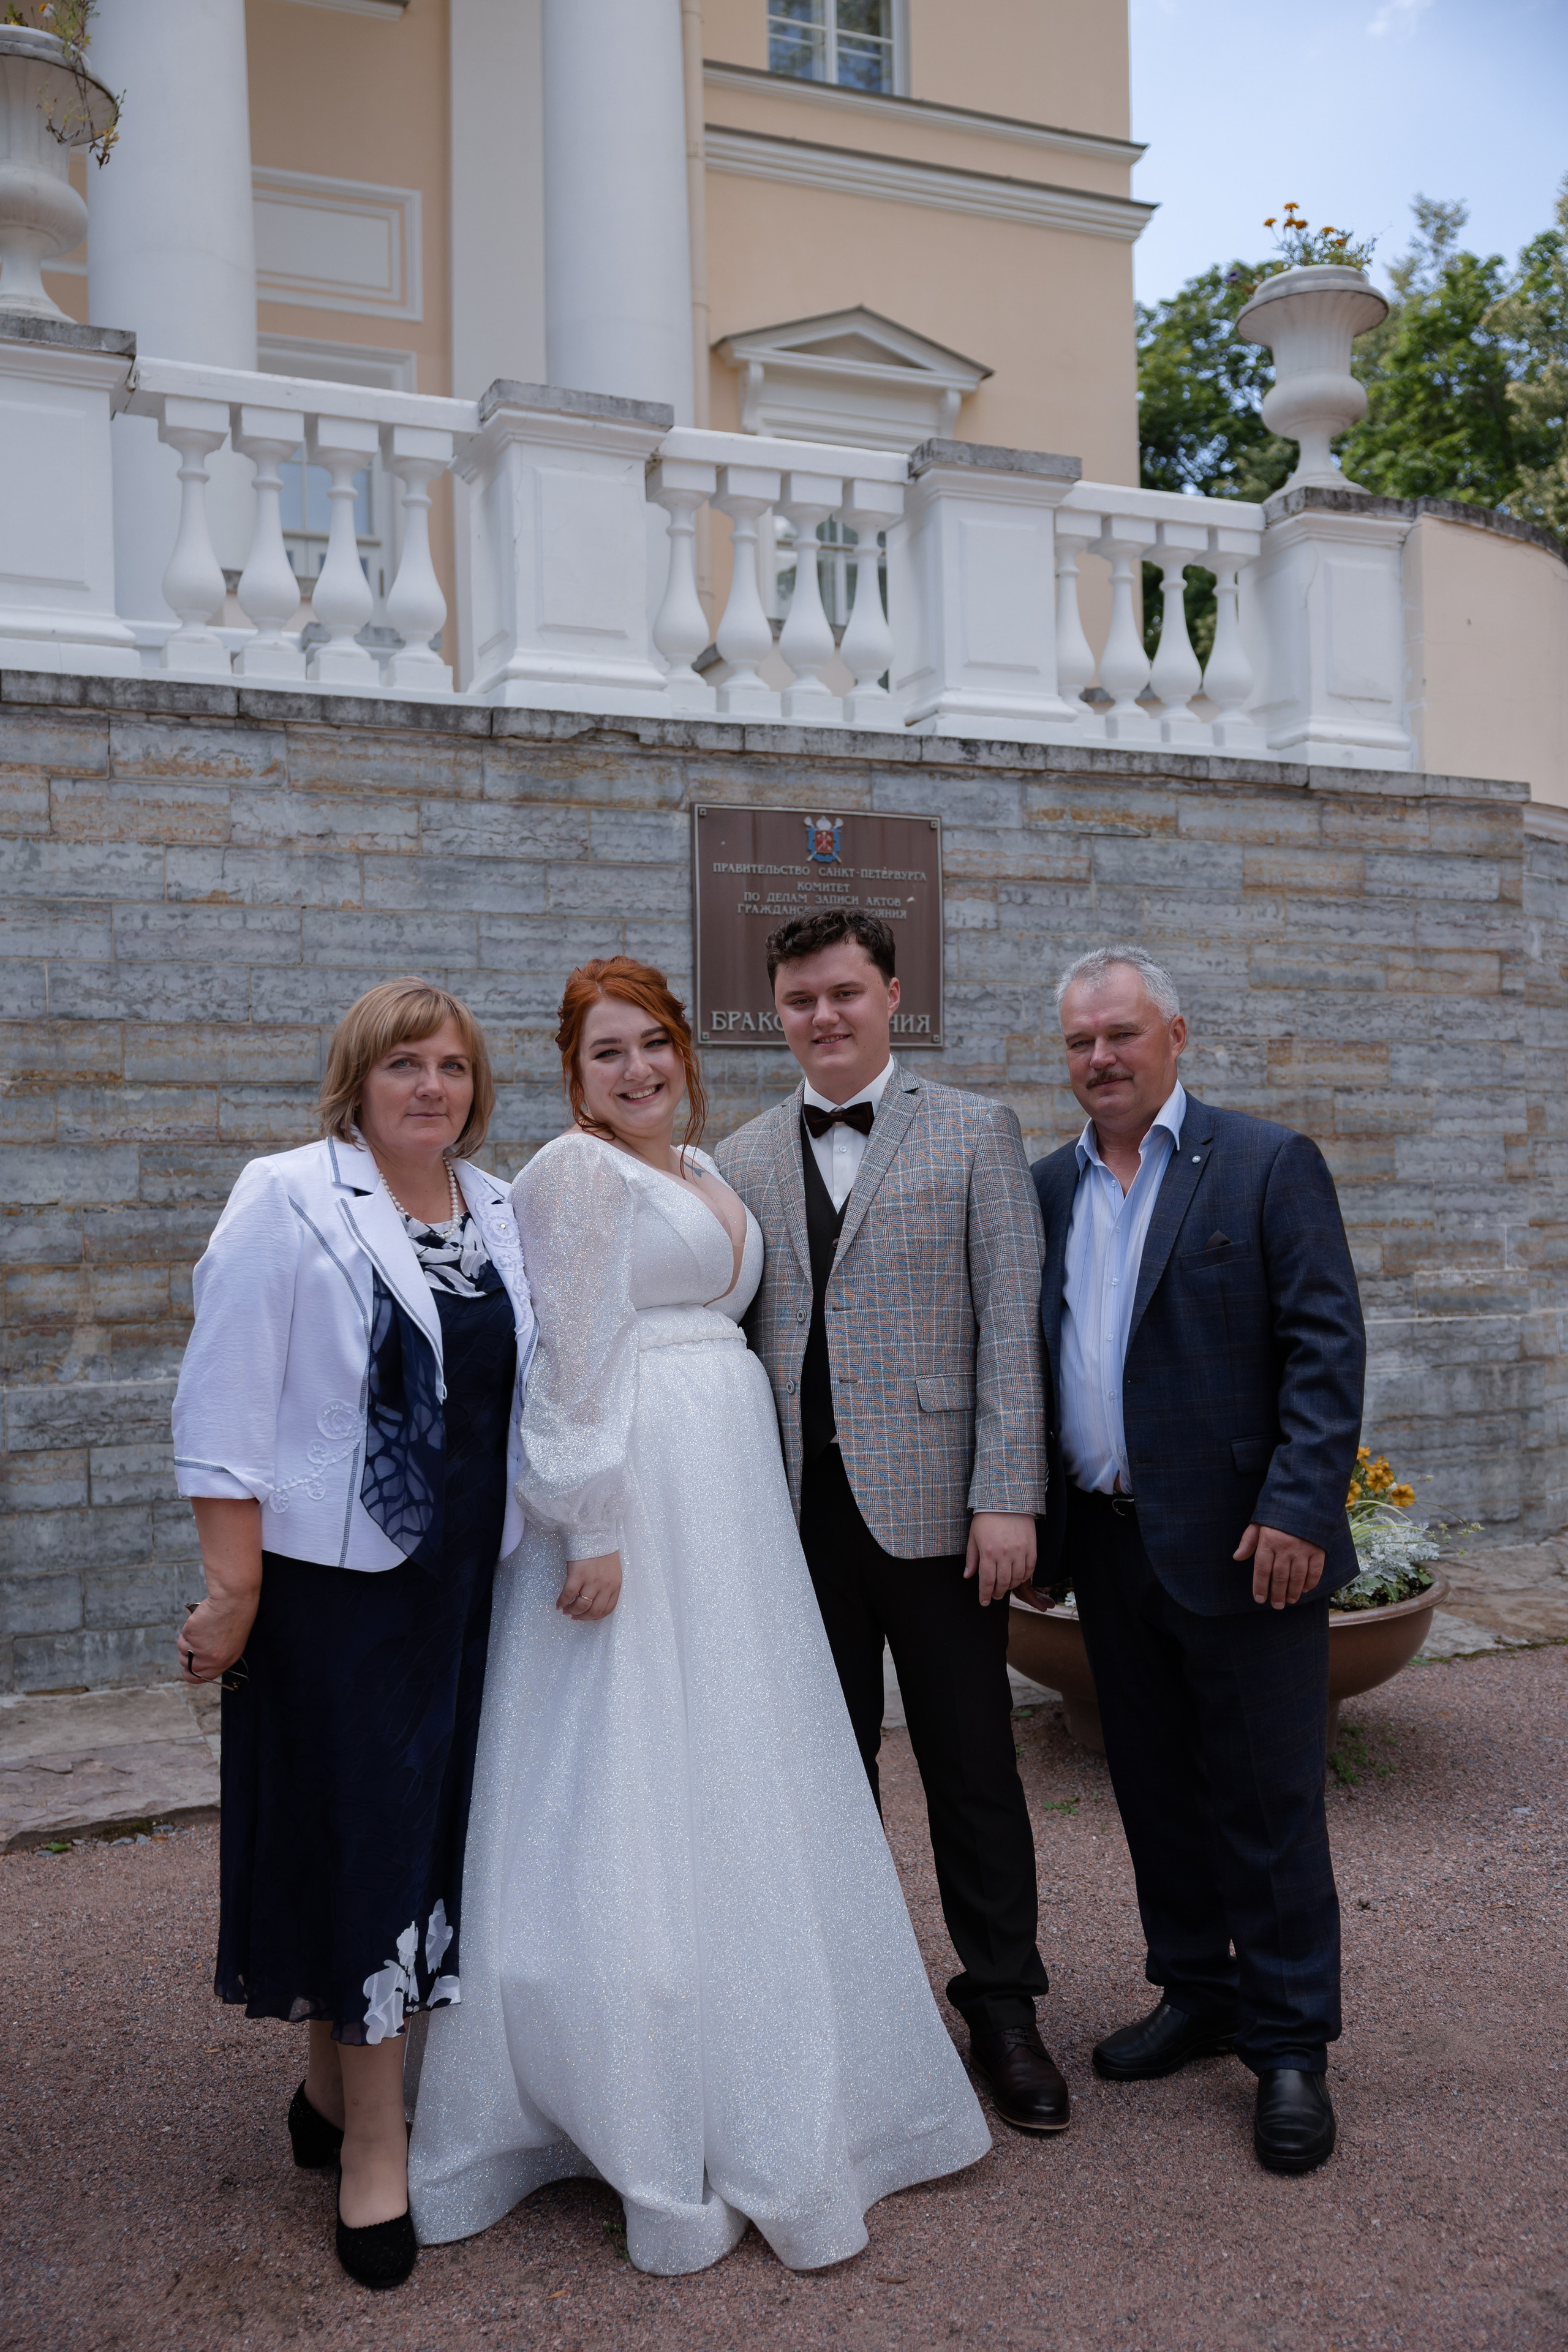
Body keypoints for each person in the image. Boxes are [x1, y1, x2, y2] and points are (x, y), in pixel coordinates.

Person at [407, 956, 989, 2275]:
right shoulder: (575, 1174)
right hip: (638, 1500)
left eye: (651, 1046)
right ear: (572, 1078)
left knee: (737, 1768)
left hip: (728, 1505)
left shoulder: (710, 1172)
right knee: (627, 1771)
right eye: (605, 1055)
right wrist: (590, 1525)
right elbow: (564, 1360)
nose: (634, 1072)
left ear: (682, 1051)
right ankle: (627, 2089)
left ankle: (764, 2052)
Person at [171, 978, 535, 2290]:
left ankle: (330, 2096)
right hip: (334, 1594)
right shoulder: (287, 1195)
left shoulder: (498, 1209)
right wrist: (233, 1589)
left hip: (463, 1590)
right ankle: (377, 2148)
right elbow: (222, 1401)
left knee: (424, 1843)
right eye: (402, 1067)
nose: (429, 1087)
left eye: (449, 1066)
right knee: (369, 1850)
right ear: (357, 1081)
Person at [715, 910, 1066, 2138]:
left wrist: (1007, 1493)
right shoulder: (739, 1157)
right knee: (828, 1770)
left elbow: (1010, 1328)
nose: (823, 1015)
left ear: (890, 996)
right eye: (801, 998)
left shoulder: (974, 1131)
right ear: (779, 1012)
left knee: (972, 1766)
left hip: (939, 1517)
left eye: (844, 993)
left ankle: (1004, 2007)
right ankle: (855, 2005)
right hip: (794, 1521)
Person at [1026, 943, 1365, 2176]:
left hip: (1243, 1549)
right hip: (1108, 1551)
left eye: (1118, 1034)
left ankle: (1286, 2046)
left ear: (1175, 1035)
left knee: (1267, 1805)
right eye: (1077, 1042)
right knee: (1157, 1792)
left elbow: (1323, 1351)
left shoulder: (1265, 1165)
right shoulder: (1045, 1188)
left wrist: (1295, 1509)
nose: (1098, 1059)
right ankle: (1195, 1991)